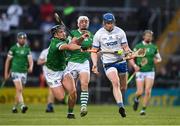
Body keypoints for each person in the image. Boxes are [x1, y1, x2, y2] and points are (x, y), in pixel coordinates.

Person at [91, 13, 136, 118]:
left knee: (123, 87)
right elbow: (94, 51)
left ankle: (117, 94)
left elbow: (126, 47)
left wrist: (130, 53)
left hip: (121, 61)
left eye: (111, 23)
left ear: (114, 22)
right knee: (116, 82)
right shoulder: (98, 34)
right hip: (108, 63)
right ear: (103, 23)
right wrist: (94, 64)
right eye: (107, 23)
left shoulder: (120, 32)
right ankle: (121, 106)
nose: (109, 25)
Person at [43, 24, 89, 119]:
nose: (64, 33)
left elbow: (74, 41)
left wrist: (82, 37)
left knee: (73, 92)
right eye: (61, 32)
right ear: (55, 35)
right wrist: (80, 48)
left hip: (63, 69)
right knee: (61, 97)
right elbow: (69, 47)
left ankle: (70, 113)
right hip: (52, 73)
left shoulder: (64, 39)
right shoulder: (56, 43)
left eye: (63, 31)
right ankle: (56, 86)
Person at [66, 16, 93, 117]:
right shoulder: (72, 33)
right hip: (72, 62)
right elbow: (70, 46)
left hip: (84, 62)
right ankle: (70, 111)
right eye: (81, 21)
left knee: (84, 84)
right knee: (72, 91)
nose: (84, 23)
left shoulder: (92, 35)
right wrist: (82, 38)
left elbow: (92, 50)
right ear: (78, 24)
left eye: (86, 21)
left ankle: (83, 107)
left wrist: (94, 62)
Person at [132, 30, 162, 115]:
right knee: (140, 92)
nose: (149, 37)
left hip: (150, 71)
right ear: (143, 36)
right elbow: (132, 56)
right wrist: (135, 66)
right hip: (140, 71)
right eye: (147, 36)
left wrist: (157, 60)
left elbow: (159, 58)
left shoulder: (154, 47)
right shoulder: (138, 46)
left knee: (148, 91)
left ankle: (143, 109)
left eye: (150, 36)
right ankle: (136, 99)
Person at [4, 32, 33, 113]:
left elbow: (30, 60)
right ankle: (23, 106)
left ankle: (14, 107)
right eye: (21, 38)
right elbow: (7, 61)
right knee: (19, 89)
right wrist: (6, 73)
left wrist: (31, 67)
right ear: (17, 39)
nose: (22, 40)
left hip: (24, 72)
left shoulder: (27, 48)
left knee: (19, 91)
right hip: (15, 71)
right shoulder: (13, 48)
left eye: (24, 38)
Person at [37, 48, 55, 112]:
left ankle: (51, 105)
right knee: (51, 88)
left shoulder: (58, 50)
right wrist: (46, 60)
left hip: (56, 74)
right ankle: (49, 105)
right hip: (47, 74)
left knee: (53, 89)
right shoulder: (45, 51)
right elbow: (38, 62)